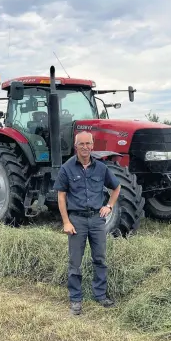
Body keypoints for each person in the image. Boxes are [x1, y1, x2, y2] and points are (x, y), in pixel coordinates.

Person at [53, 131, 121, 315]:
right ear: (76, 146)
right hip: (77, 220)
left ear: (92, 145)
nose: (85, 147)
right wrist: (66, 222)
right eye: (81, 144)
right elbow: (61, 196)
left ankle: (100, 295)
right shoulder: (67, 168)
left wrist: (109, 206)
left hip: (97, 220)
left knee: (100, 259)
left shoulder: (101, 168)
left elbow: (116, 187)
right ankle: (76, 299)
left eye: (88, 143)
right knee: (75, 261)